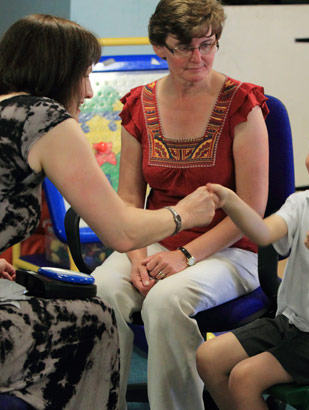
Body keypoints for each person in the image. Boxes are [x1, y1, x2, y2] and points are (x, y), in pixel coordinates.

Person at [0, 14, 217, 410]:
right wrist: (183, 213)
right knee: (95, 317)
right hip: (154, 241)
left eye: (207, 45)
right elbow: (121, 229)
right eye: (84, 74)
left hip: (206, 254)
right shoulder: (46, 119)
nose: (87, 91)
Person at [91, 1, 269, 409]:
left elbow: (253, 209)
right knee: (103, 290)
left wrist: (184, 256)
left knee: (166, 301)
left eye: (207, 45)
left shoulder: (243, 105)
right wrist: (135, 256)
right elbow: (131, 199)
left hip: (232, 247)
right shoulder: (139, 104)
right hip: (156, 237)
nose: (198, 57)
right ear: (159, 48)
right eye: (184, 47)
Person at [196, 104, 309, 410]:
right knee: (208, 357)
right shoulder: (302, 202)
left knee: (244, 378)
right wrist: (232, 201)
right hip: (290, 323)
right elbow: (262, 233)